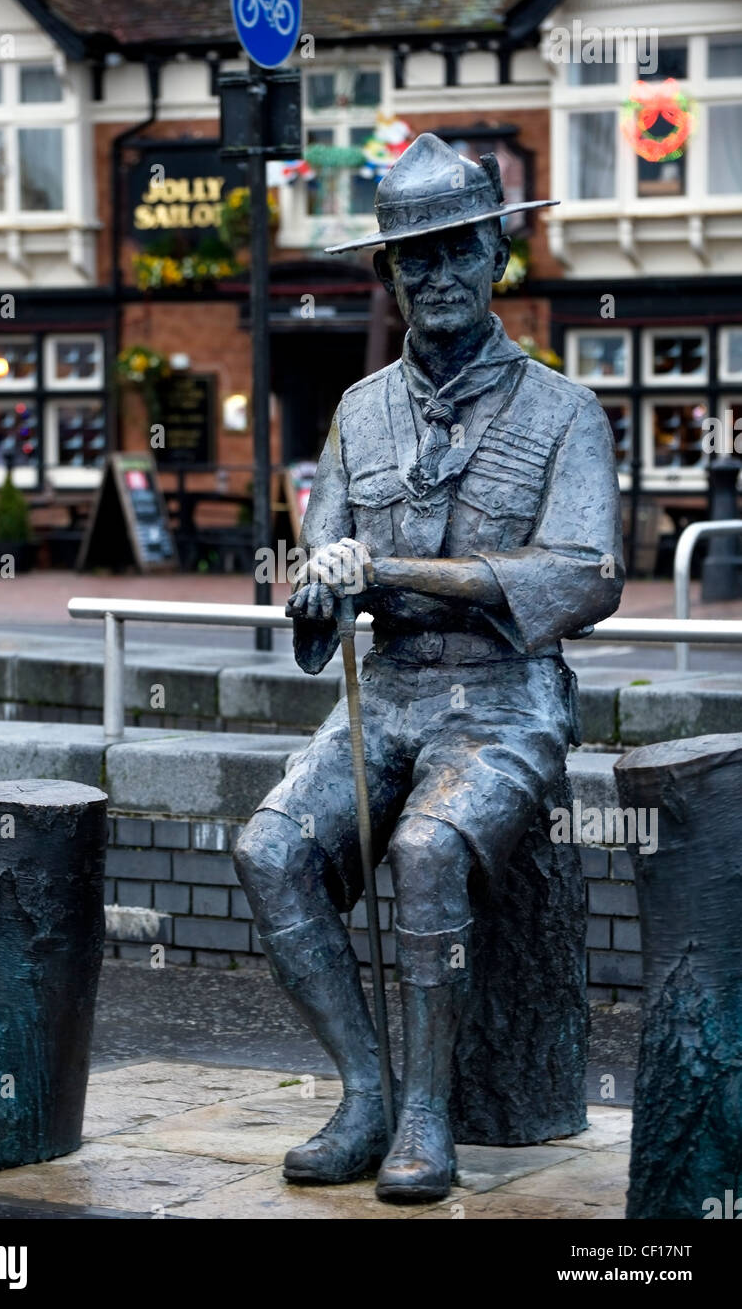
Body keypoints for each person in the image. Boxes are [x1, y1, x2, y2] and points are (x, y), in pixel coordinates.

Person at [234, 133, 624, 1203]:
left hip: (502, 700)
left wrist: (402, 567)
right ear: (389, 273)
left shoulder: (562, 412)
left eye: (457, 250)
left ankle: (426, 1113)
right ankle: (364, 1089)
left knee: (425, 843)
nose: (437, 276)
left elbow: (587, 575)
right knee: (268, 846)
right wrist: (318, 587)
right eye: (414, 258)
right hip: (390, 687)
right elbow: (316, 594)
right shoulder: (358, 412)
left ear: (498, 251)